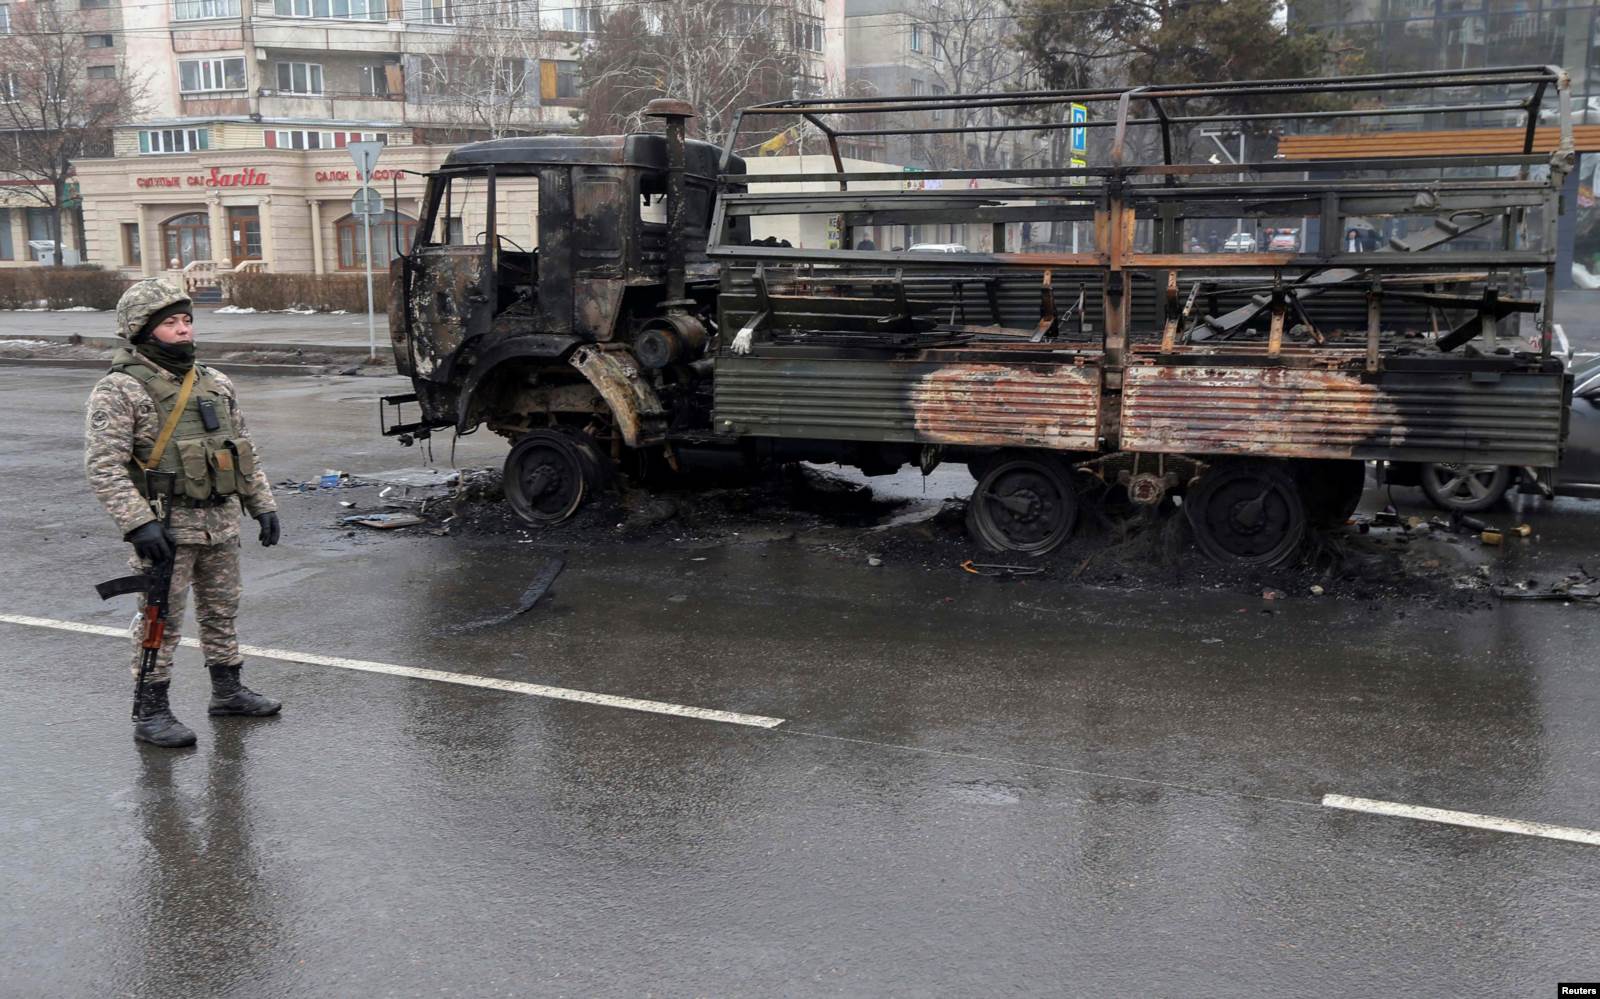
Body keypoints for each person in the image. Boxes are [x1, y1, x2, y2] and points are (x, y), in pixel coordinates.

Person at [84, 278, 283, 748]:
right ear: (141, 330)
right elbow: (104, 466)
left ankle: (228, 692)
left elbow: (242, 449)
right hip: (166, 529)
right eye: (170, 323)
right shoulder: (120, 389)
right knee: (161, 621)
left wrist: (262, 504)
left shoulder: (215, 382)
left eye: (186, 321)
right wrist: (138, 523)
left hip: (219, 521)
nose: (183, 329)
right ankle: (151, 711)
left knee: (222, 611)